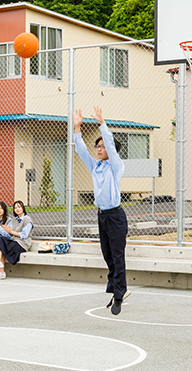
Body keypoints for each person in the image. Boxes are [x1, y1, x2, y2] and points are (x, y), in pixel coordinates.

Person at [73, 106, 130, 315]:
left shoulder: (116, 166)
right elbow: (81, 152)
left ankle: (118, 295)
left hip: (115, 216)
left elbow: (112, 150)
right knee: (107, 255)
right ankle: (118, 288)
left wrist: (102, 123)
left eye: (102, 146)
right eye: (96, 146)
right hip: (102, 215)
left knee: (117, 256)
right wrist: (77, 129)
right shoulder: (96, 166)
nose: (98, 149)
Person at [0, 200, 33, 280]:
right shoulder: (14, 220)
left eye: (19, 207)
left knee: (2, 244)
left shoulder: (27, 219)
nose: (17, 209)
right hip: (14, 241)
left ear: (23, 208)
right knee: (0, 240)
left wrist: (11, 232)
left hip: (22, 244)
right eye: (15, 208)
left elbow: (24, 235)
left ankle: (1, 271)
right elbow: (10, 234)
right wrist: (8, 231)